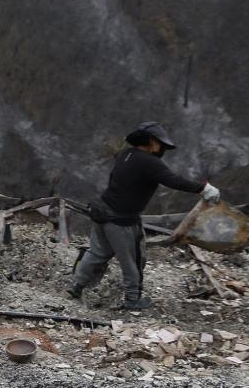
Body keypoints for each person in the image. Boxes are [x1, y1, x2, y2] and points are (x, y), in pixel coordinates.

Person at [68, 122, 220, 310]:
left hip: (102, 212)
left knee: (96, 254)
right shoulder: (149, 162)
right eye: (160, 143)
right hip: (122, 221)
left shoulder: (125, 155)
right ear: (150, 141)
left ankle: (76, 286)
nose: (162, 148)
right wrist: (203, 188)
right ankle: (133, 300)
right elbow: (173, 180)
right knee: (133, 260)